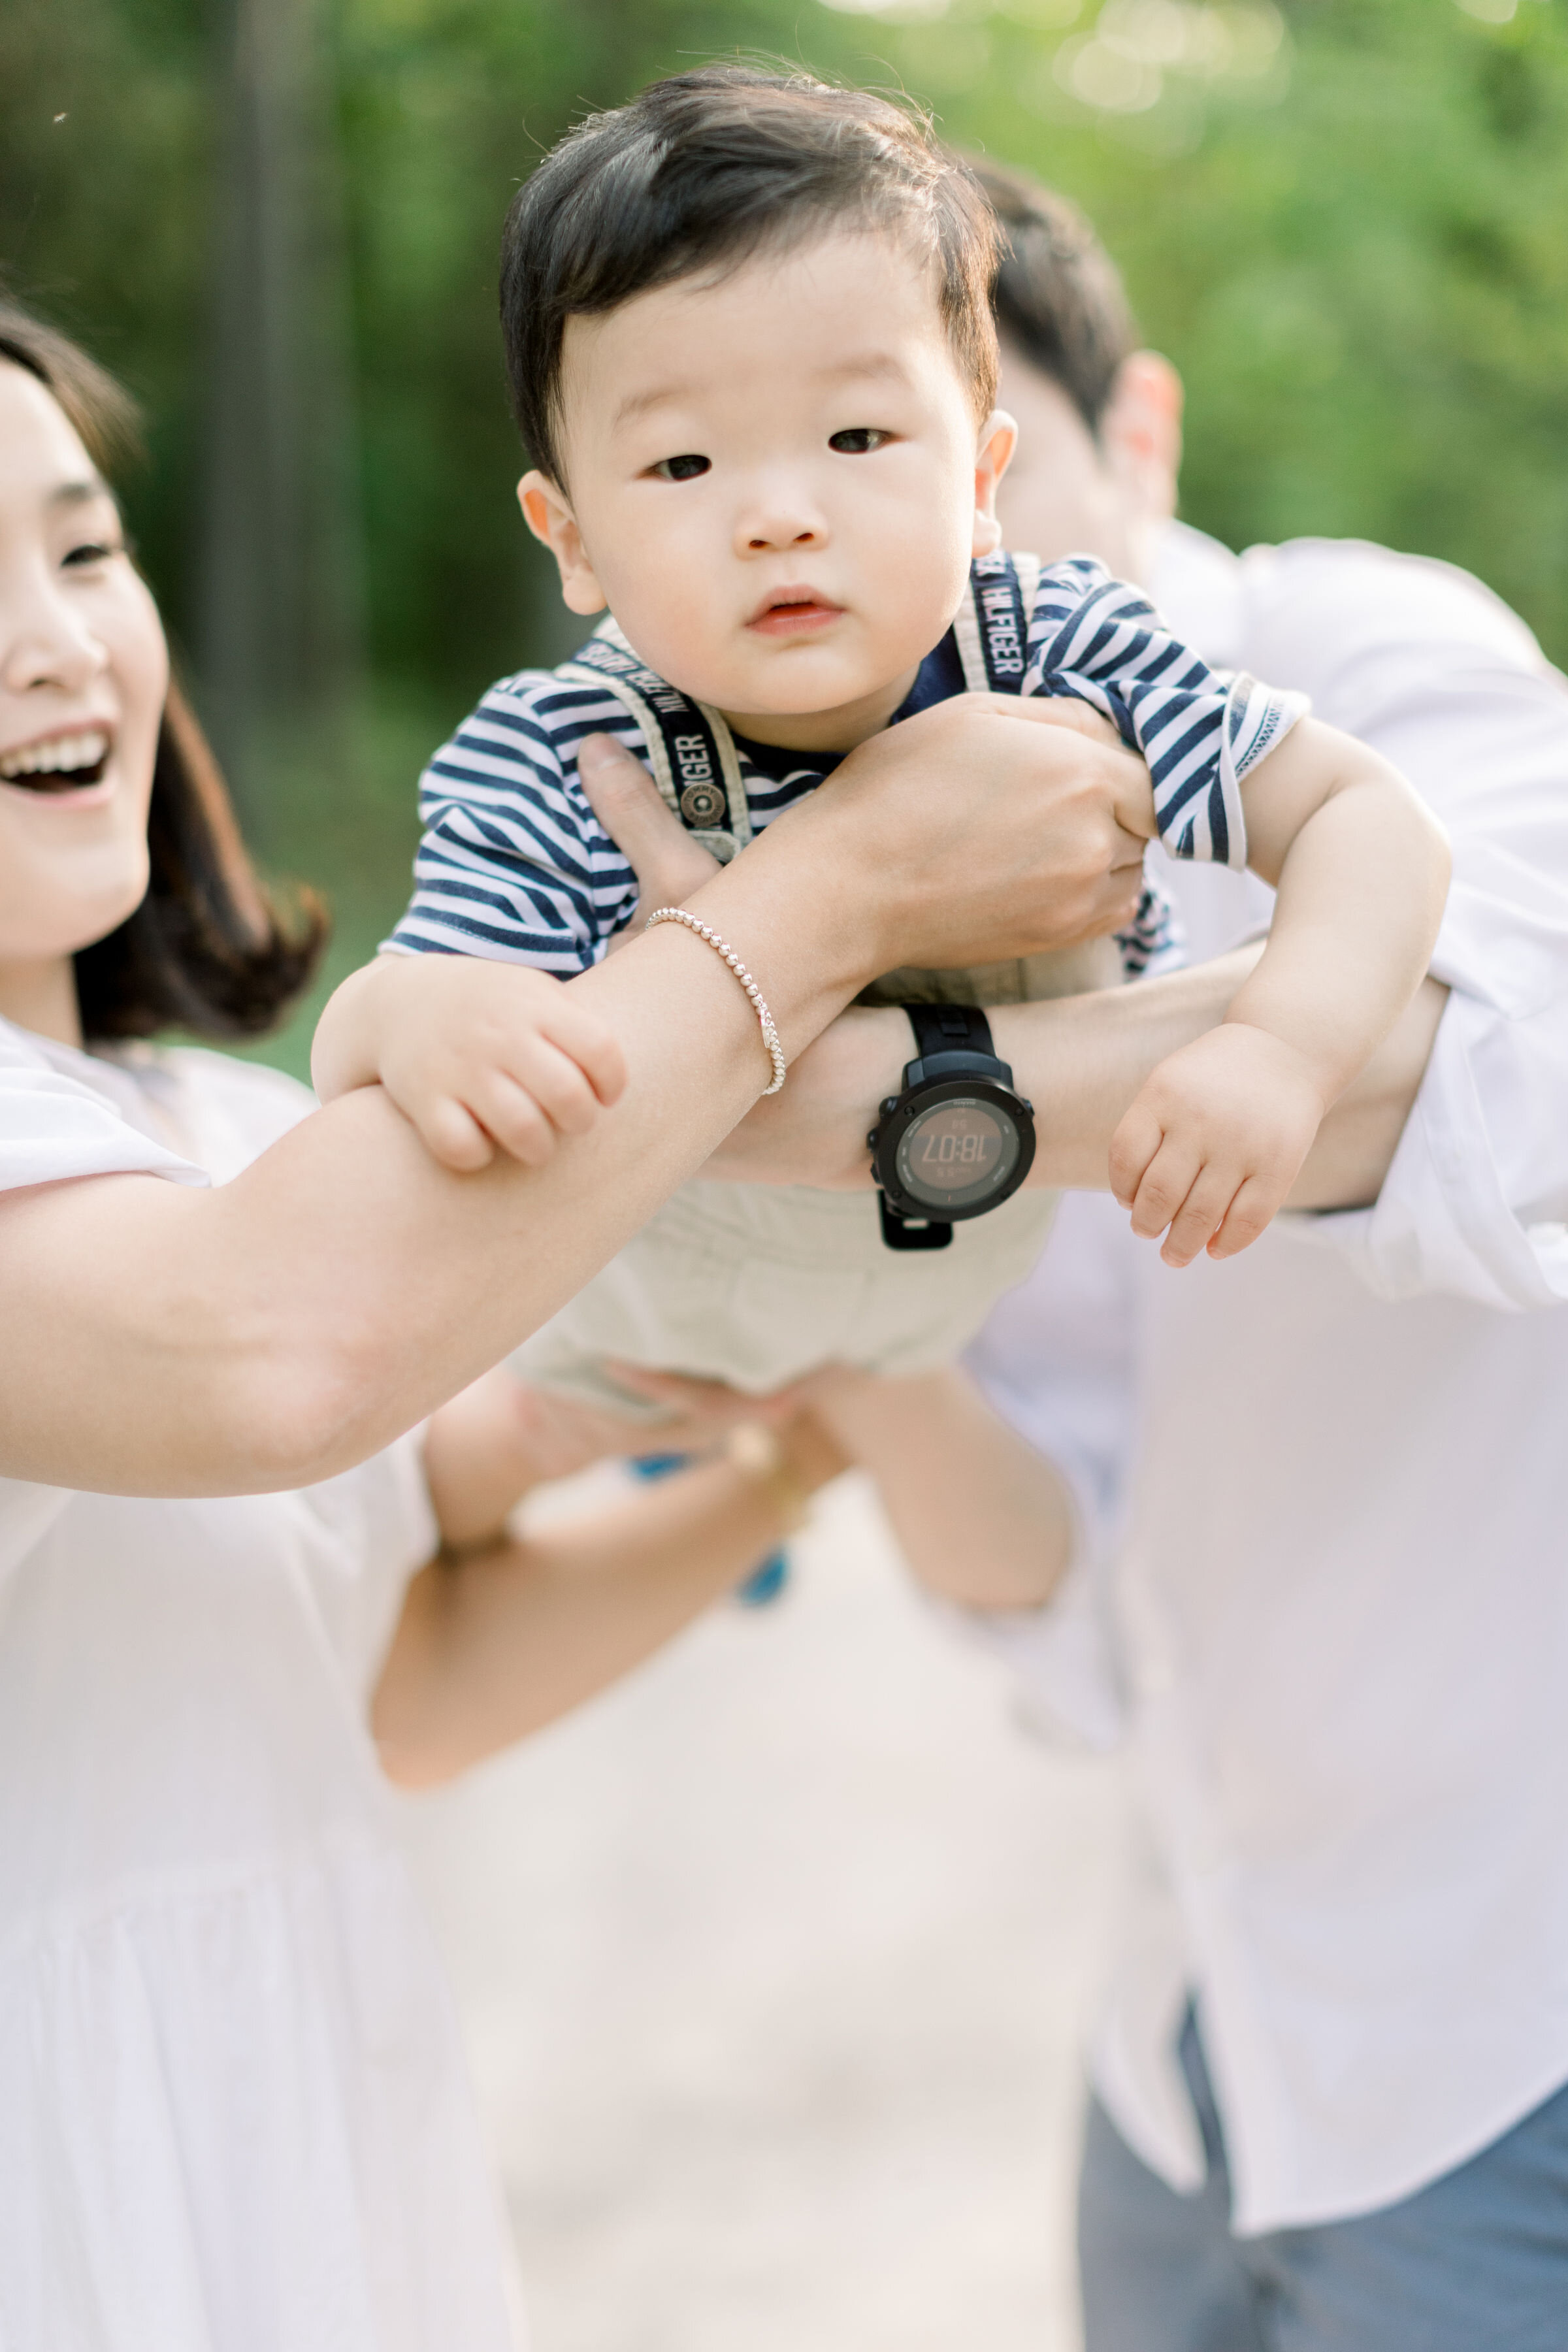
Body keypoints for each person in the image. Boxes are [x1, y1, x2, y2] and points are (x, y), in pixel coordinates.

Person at [0, 293, 1189, 2346]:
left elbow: (383, 1678)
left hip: (296, 2124)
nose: (55, 637)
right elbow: (269, 1361)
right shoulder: (243, 1238)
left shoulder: (212, 1125)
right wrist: (849, 880)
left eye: (85, 547)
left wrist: (796, 1415)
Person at [785, 165, 1568, 2351]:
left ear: (1129, 442)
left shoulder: (1371, 662)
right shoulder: (842, 860)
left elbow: (1495, 1075)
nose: (900, 581)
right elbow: (1068, 1585)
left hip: (1510, 2020)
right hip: (1190, 2015)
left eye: (931, 462)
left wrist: (763, 1093)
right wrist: (811, 1322)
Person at [313, 66, 1447, 1427]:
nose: (780, 514)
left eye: (857, 435)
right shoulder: (569, 752)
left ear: (980, 483)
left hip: (940, 1300)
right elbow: (379, 1020)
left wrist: (1281, 1050)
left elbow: (1369, 824)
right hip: (629, 1330)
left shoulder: (1059, 648)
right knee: (522, 1463)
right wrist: (429, 1014)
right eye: (684, 466)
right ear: (572, 540)